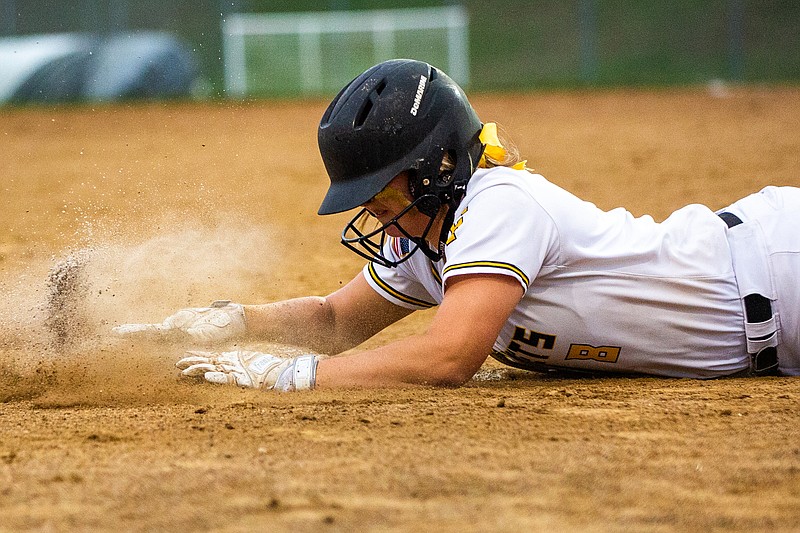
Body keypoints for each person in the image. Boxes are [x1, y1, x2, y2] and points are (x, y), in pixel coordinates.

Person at [113, 59, 800, 391]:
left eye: (381, 190)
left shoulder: (499, 205)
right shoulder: (426, 237)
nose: (372, 210)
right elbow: (332, 320)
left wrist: (294, 377)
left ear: (439, 163)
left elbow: (448, 357)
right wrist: (234, 322)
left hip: (780, 266)